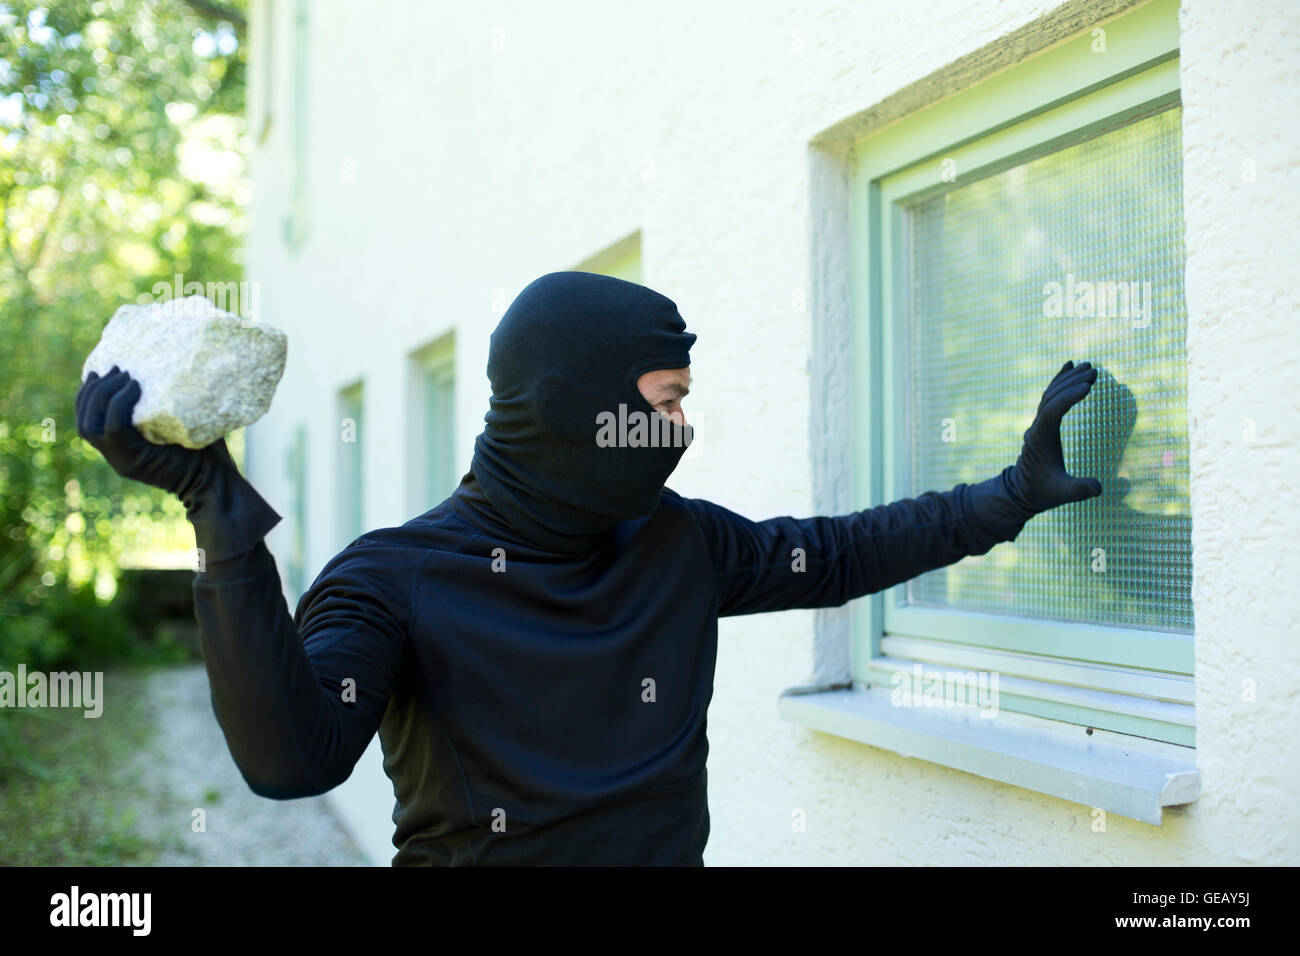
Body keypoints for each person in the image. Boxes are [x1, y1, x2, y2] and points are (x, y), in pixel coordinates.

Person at [75, 270, 1102, 865]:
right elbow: (291, 758)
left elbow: (832, 552)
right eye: (663, 400)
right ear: (575, 407)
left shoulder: (677, 543)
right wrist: (217, 515)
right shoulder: (396, 579)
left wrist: (1007, 495)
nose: (682, 428)